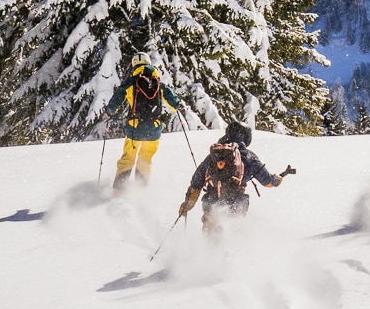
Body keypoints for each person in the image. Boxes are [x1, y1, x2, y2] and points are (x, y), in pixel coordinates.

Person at [177, 122, 285, 236]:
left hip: (210, 204)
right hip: (236, 205)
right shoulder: (249, 156)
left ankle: (209, 252)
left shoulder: (213, 156)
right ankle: (233, 251)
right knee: (235, 235)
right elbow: (267, 181)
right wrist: (277, 179)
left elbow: (196, 183)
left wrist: (187, 204)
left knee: (211, 237)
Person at [104, 53, 181, 192]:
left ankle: (119, 191)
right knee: (145, 160)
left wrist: (109, 111)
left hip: (135, 129)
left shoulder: (131, 82)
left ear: (134, 66)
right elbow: (175, 104)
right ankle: (140, 191)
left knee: (128, 159)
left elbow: (116, 100)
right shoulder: (158, 83)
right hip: (154, 130)